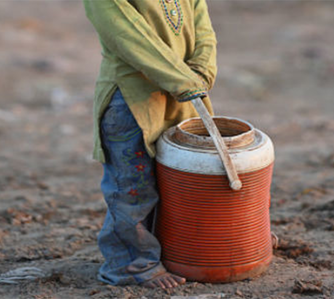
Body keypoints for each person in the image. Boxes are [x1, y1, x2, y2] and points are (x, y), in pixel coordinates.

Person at [83, 0, 217, 289]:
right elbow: (129, 36)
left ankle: (171, 253)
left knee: (177, 182)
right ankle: (130, 265)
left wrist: (202, 69)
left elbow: (202, 25)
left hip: (182, 93)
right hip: (131, 100)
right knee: (133, 188)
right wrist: (183, 80)